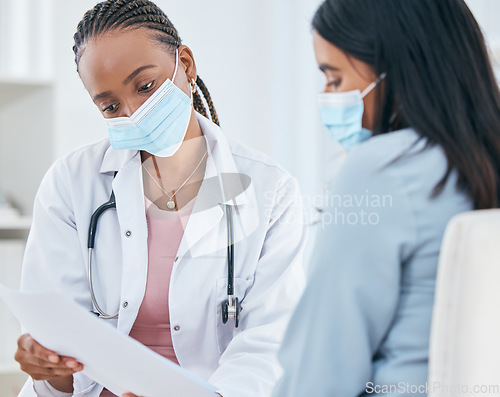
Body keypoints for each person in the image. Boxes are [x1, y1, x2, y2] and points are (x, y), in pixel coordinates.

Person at [14, 1, 305, 396]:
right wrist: (49, 366)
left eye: (145, 86)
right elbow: (63, 352)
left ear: (185, 65)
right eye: (111, 106)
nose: (133, 112)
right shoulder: (71, 183)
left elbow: (269, 345)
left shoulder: (271, 191)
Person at [273, 0, 500, 396]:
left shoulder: (382, 169)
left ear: (398, 69)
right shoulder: (482, 160)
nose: (328, 96)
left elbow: (322, 375)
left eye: (335, 79)